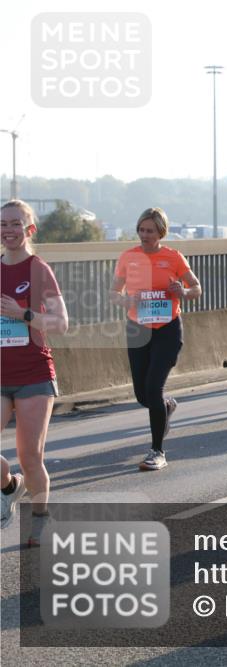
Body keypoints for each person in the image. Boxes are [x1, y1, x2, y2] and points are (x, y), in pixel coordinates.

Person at [110, 208, 202, 470]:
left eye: (150, 230)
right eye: (141, 229)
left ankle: (157, 451)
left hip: (167, 329)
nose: (144, 235)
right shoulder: (128, 257)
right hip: (138, 329)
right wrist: (127, 299)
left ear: (161, 232)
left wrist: (182, 290)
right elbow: (113, 293)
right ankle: (165, 408)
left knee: (153, 388)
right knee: (142, 395)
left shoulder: (173, 257)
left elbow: (197, 289)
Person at [1, 200, 68, 546]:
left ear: (29, 230)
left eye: (15, 223)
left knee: (30, 456)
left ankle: (41, 519)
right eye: (2, 224)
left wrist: (22, 314)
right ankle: (9, 487)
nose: (8, 230)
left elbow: (60, 322)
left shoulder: (37, 269)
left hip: (33, 374)